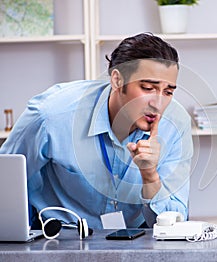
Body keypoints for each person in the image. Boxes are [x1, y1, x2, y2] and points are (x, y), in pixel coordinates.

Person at [0, 33, 193, 230]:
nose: (158, 103)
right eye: (148, 88)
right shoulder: (52, 115)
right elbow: (5, 180)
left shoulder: (176, 125)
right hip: (60, 236)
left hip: (137, 239)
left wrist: (150, 175)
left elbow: (175, 223)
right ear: (117, 80)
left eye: (168, 92)